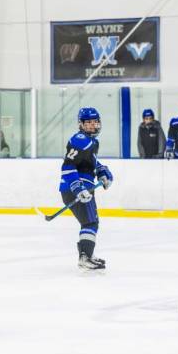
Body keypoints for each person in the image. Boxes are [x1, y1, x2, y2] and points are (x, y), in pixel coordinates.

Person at [59, 108, 112, 271]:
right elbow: (68, 165)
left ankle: (86, 255)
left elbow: (90, 162)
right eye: (88, 123)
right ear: (81, 124)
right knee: (90, 222)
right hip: (76, 188)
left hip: (83, 188)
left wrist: (102, 170)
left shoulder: (91, 141)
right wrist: (77, 187)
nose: (92, 125)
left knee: (89, 222)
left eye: (95, 122)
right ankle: (85, 257)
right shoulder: (81, 139)